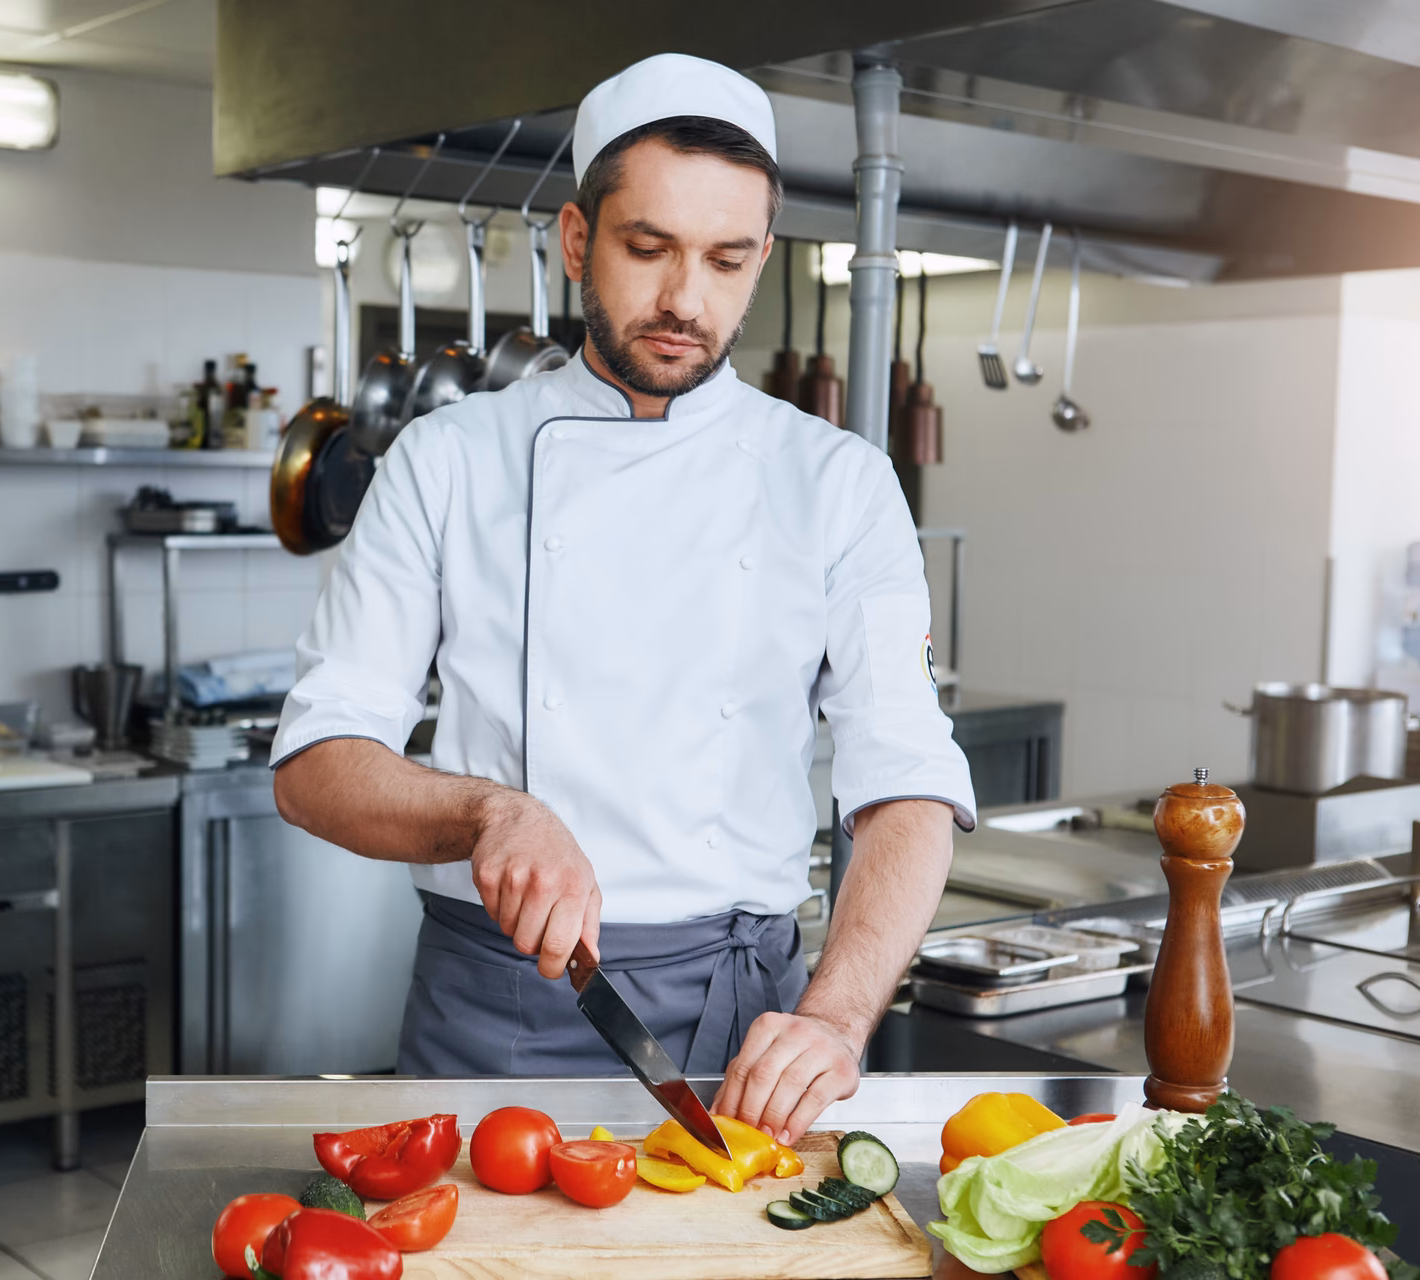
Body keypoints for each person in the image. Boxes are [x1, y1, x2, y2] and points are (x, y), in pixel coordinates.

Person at [271, 52, 975, 1145]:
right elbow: (317, 764)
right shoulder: (447, 460)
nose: (687, 301)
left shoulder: (835, 480)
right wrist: (489, 809)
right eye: (649, 249)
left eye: (728, 260)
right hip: (499, 1000)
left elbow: (909, 785)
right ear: (574, 240)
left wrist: (834, 1018)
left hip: (747, 1015)